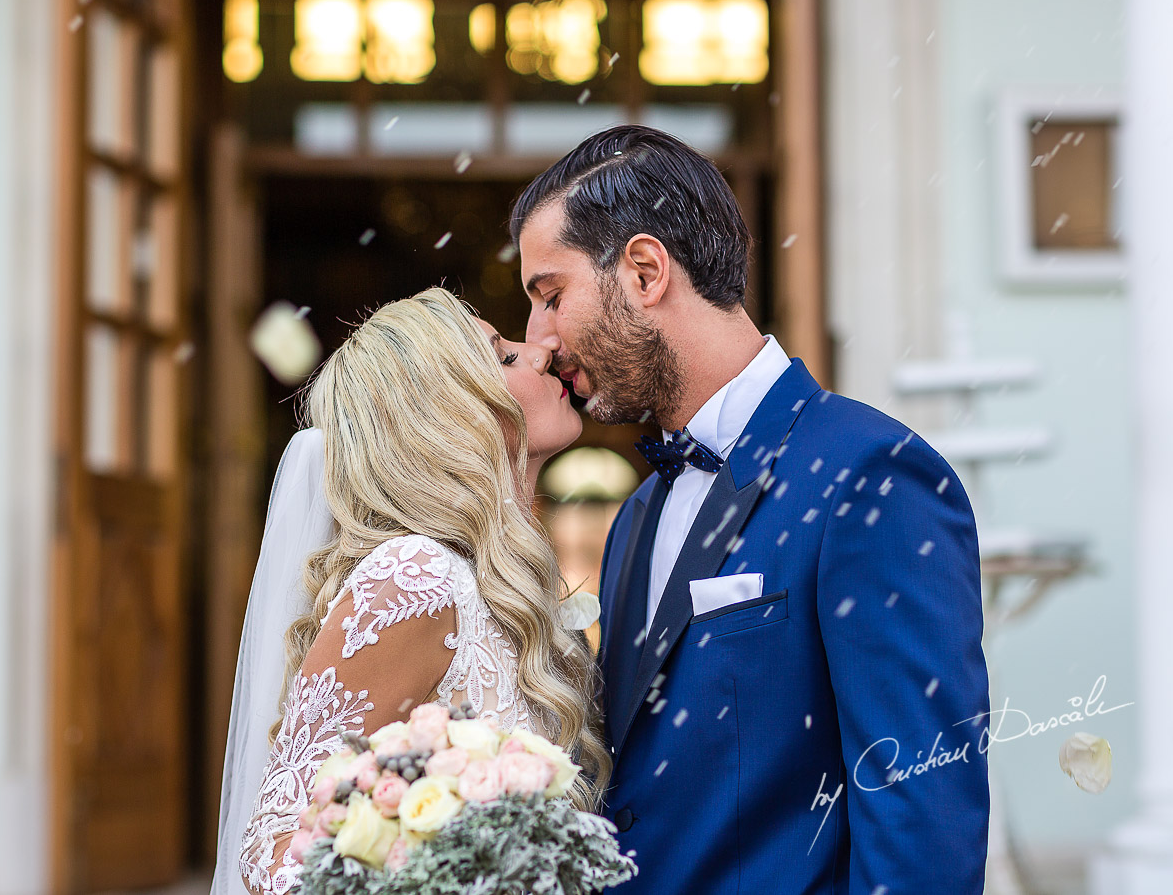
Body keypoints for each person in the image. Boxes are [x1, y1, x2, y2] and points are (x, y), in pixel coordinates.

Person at [510, 126, 990, 894]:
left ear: (643, 271)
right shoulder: (637, 513)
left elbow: (920, 819)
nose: (539, 338)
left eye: (551, 295)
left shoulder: (869, 475)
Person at [213, 287, 610, 895]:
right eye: (503, 358)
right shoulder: (416, 575)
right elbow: (276, 857)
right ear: (449, 417)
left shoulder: (499, 584)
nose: (538, 355)